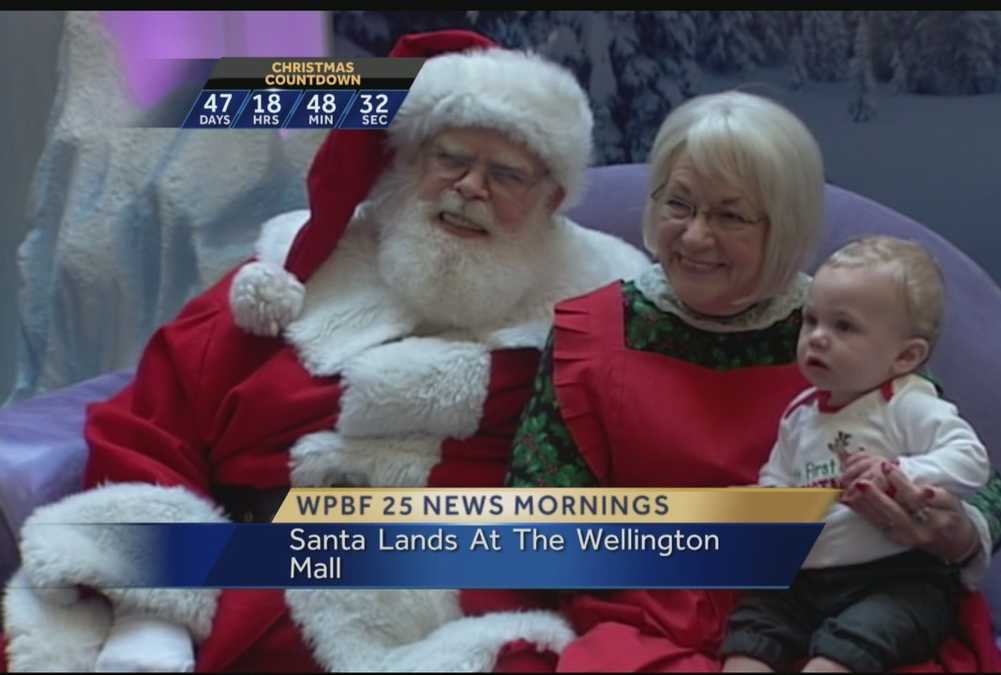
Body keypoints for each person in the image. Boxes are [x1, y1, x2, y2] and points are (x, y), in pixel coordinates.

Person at [1, 31, 650, 672]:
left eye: (506, 174)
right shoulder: (294, 271)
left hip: (463, 605)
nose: (469, 186)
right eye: (450, 157)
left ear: (553, 197)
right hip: (245, 579)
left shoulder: (599, 307)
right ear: (408, 160)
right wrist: (153, 611)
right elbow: (151, 425)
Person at [504, 91, 1001, 672]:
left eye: (730, 215)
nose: (696, 237)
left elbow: (986, 489)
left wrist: (952, 529)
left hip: (846, 613)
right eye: (680, 205)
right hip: (650, 619)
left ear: (785, 227)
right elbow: (534, 524)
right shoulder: (591, 332)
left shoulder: (839, 323)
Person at [720, 236, 991, 673]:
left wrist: (902, 471)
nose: (818, 338)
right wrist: (771, 505)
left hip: (894, 578)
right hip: (803, 579)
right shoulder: (799, 414)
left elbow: (971, 458)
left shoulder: (905, 402)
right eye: (811, 321)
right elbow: (777, 473)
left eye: (843, 327)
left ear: (906, 355)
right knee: (749, 635)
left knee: (841, 654)